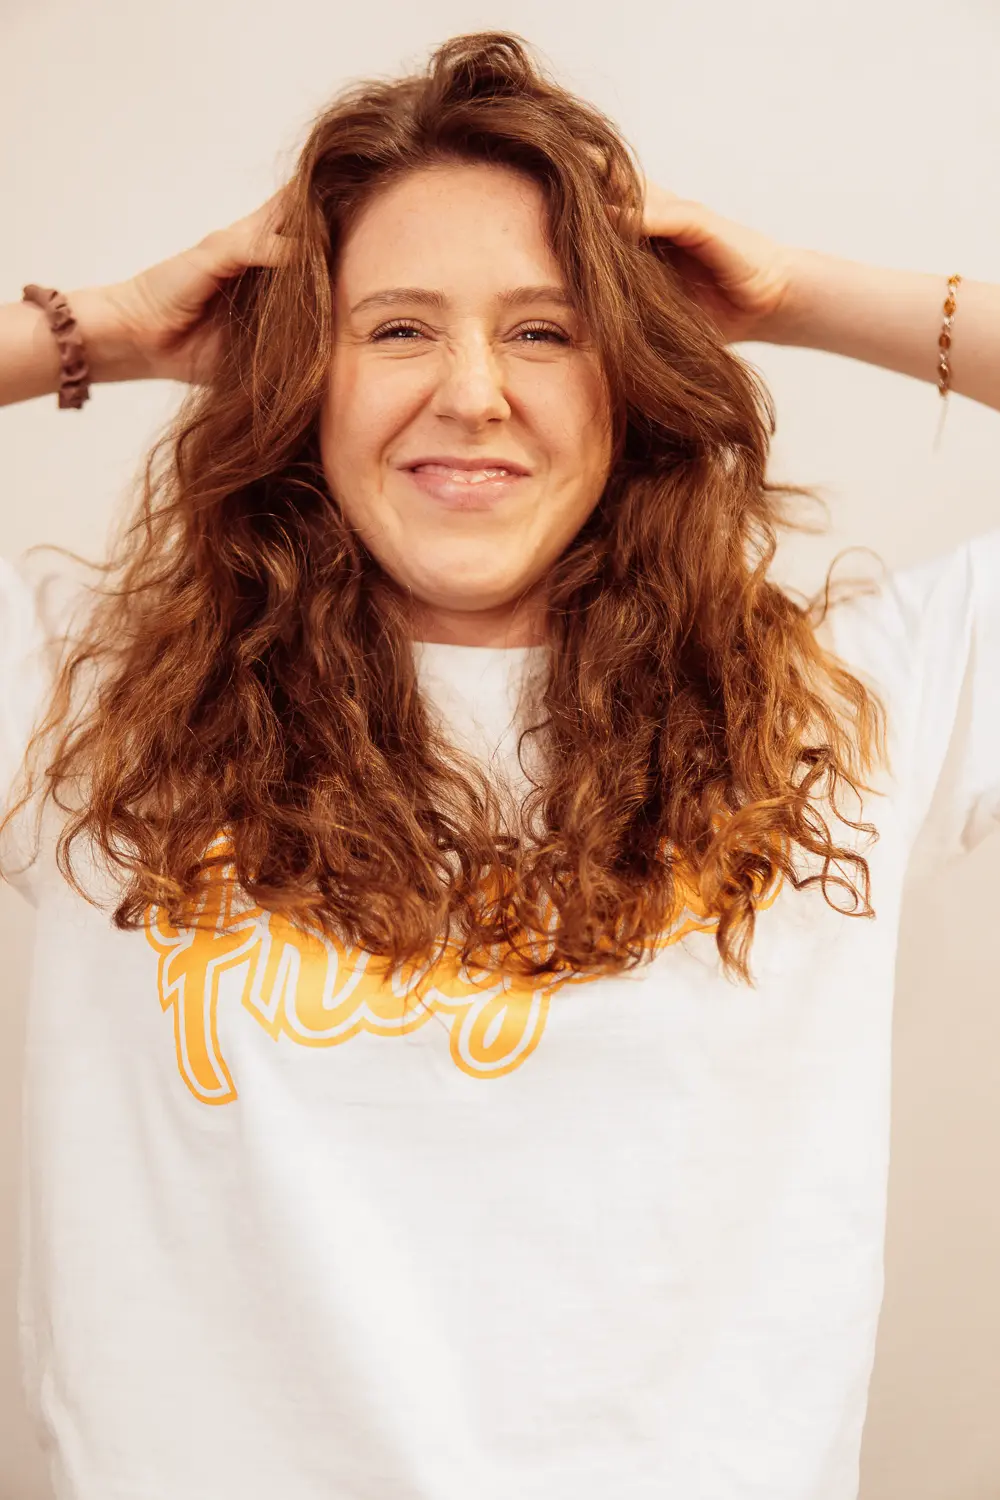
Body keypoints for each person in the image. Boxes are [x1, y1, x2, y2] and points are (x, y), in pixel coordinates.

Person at [0, 27, 998, 1500]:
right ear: (305, 374)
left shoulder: (845, 704)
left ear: (631, 377)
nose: (473, 392)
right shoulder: (82, 701)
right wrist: (117, 328)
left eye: (546, 331)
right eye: (396, 328)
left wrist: (794, 295)